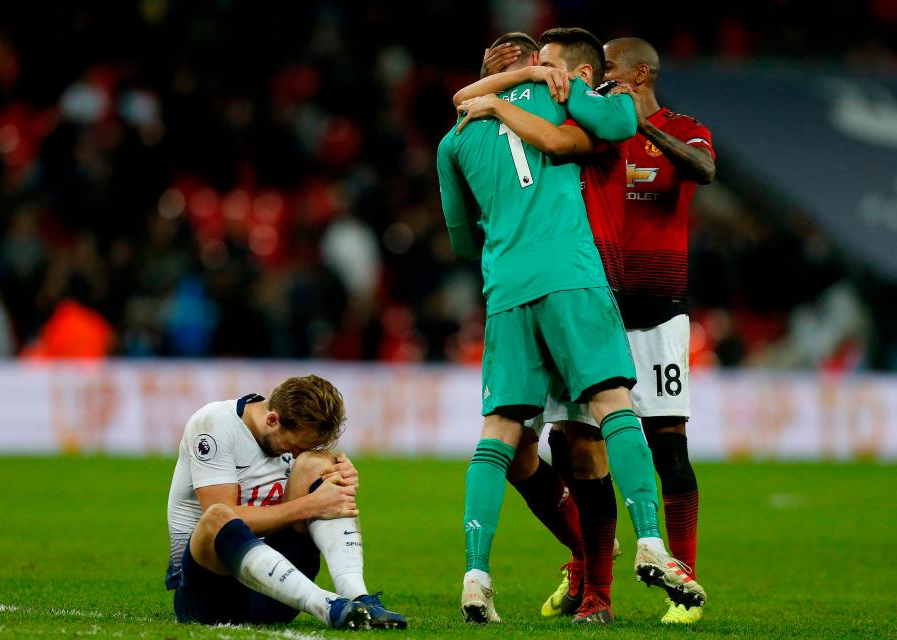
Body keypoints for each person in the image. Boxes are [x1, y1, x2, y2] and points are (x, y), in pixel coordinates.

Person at [437, 29, 706, 625]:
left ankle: (476, 576)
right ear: (542, 64)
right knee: (614, 409)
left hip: (505, 288)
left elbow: (460, 238)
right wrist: (546, 89)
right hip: (576, 278)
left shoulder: (453, 136)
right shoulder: (562, 95)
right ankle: (649, 544)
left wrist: (495, 105)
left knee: (502, 432)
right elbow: (606, 128)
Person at [452, 28, 630, 624]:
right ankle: (584, 558)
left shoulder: (576, 105)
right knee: (530, 447)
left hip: (582, 279)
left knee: (582, 442)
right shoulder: (534, 96)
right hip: (545, 283)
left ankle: (598, 591)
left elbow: (569, 137)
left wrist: (505, 97)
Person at [599, 36, 716, 625]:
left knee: (668, 443)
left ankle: (685, 582)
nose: (601, 76)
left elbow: (704, 169)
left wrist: (648, 133)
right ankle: (589, 580)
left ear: (640, 73)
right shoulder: (600, 128)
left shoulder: (684, 128)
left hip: (661, 310)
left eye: (610, 68)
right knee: (579, 445)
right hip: (599, 307)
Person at [165, 374, 406, 630]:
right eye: (293, 447)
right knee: (218, 515)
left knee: (321, 464)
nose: (294, 455)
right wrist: (312, 504)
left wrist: (338, 479)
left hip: (279, 590)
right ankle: (327, 606)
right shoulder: (214, 424)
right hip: (210, 595)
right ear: (272, 420)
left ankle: (360, 598)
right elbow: (224, 520)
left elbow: (315, 471)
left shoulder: (296, 445)